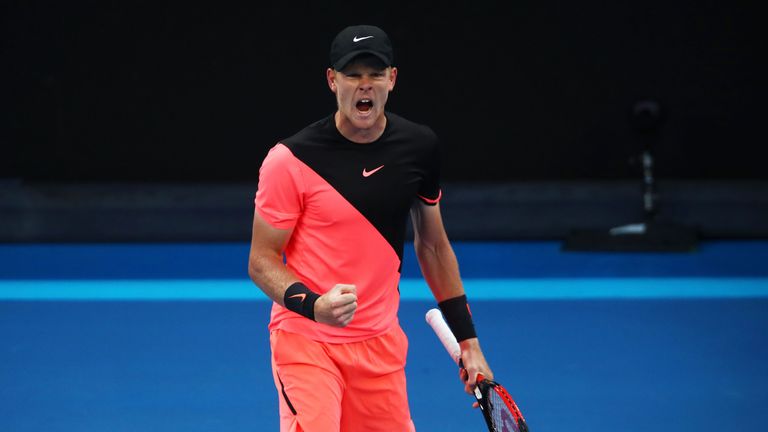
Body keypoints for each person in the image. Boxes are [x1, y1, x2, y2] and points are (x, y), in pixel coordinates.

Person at [248, 24, 493, 432]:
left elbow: (433, 247)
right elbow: (261, 261)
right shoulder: (289, 160)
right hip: (306, 339)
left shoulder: (419, 147)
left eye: (375, 74)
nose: (365, 86)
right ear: (332, 81)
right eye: (352, 74)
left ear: (392, 80)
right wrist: (315, 305)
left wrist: (470, 343)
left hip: (380, 347)